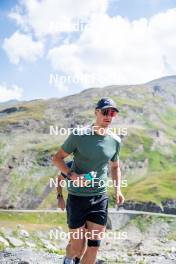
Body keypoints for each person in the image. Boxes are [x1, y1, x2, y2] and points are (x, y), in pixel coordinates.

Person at [53, 97, 125, 264]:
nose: (109, 116)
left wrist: (118, 189)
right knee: (77, 246)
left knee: (94, 247)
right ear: (96, 112)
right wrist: (72, 177)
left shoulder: (115, 140)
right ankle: (69, 259)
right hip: (77, 197)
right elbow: (57, 159)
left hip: (100, 197)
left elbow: (115, 167)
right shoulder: (79, 135)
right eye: (105, 112)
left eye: (112, 113)